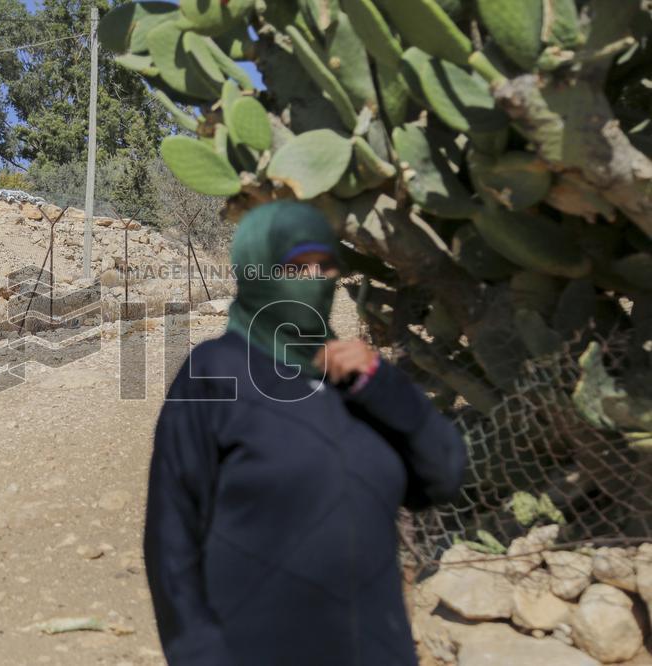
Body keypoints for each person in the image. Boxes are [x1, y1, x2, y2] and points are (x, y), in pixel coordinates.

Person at [144, 201, 468, 665]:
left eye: (325, 265)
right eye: (296, 266)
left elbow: (444, 475)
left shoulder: (358, 379)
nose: (314, 279)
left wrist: (383, 385)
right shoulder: (214, 372)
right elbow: (171, 538)